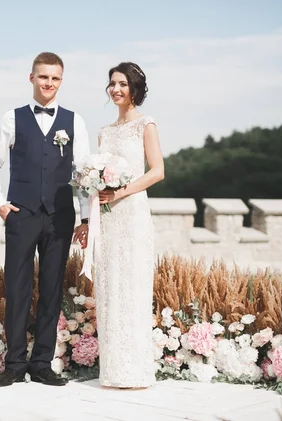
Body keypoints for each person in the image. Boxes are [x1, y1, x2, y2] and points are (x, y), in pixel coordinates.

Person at [0, 52, 90, 387]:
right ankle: (14, 364)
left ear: (61, 81)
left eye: (55, 78)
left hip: (60, 217)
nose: (49, 83)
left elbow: (85, 174)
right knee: (17, 288)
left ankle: (41, 363)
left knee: (52, 290)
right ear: (32, 78)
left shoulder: (75, 122)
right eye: (43, 77)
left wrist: (86, 219)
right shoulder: (12, 119)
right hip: (22, 214)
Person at [95, 62, 164, 388]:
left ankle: (136, 370)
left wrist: (121, 191)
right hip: (108, 218)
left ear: (135, 89)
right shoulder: (104, 132)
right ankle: (112, 370)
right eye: (112, 83)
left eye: (122, 83)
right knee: (109, 286)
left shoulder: (145, 125)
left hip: (132, 212)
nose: (116, 89)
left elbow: (157, 171)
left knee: (133, 287)